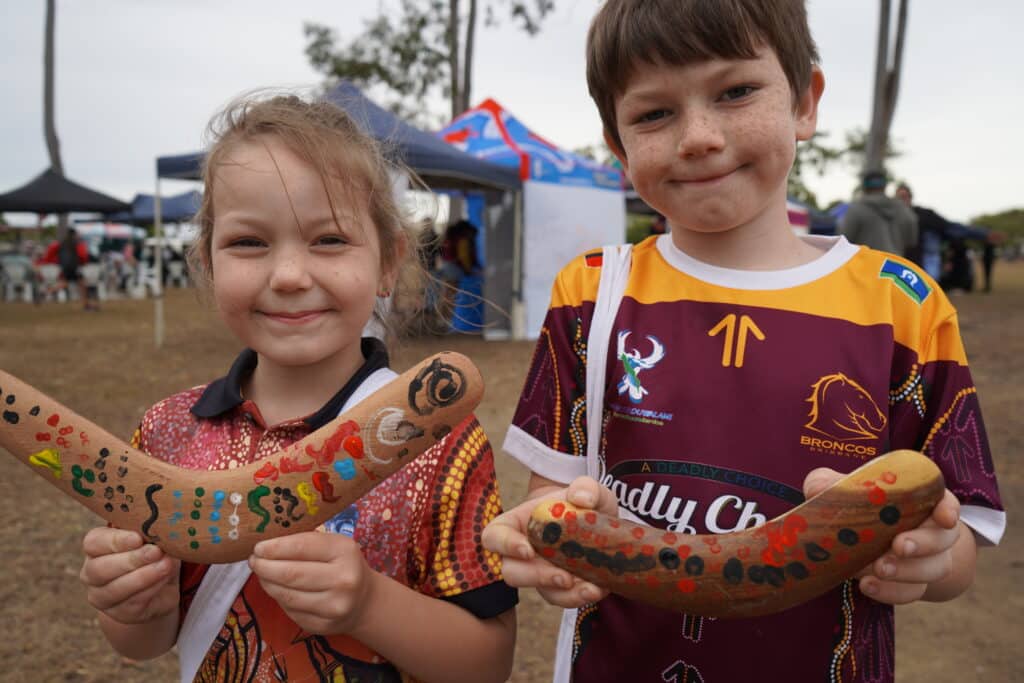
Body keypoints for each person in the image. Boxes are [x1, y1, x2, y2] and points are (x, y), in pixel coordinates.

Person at [482, 2, 1004, 681]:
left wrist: (928, 556)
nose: (697, 136)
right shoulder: (591, 293)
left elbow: (961, 546)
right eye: (653, 114)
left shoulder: (904, 309)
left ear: (805, 103)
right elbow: (548, 495)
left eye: (735, 92)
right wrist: (546, 534)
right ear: (617, 145)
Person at [77, 94, 517, 683]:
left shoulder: (435, 439)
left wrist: (369, 605)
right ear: (207, 263)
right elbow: (149, 640)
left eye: (329, 240)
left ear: (388, 262)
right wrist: (130, 602)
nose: (288, 276)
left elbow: (486, 664)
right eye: (248, 243)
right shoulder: (166, 430)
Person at [839, 170, 918, 258]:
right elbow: (912, 240)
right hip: (895, 266)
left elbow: (843, 241)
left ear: (864, 186)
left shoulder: (856, 209)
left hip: (866, 266)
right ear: (885, 185)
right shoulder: (902, 209)